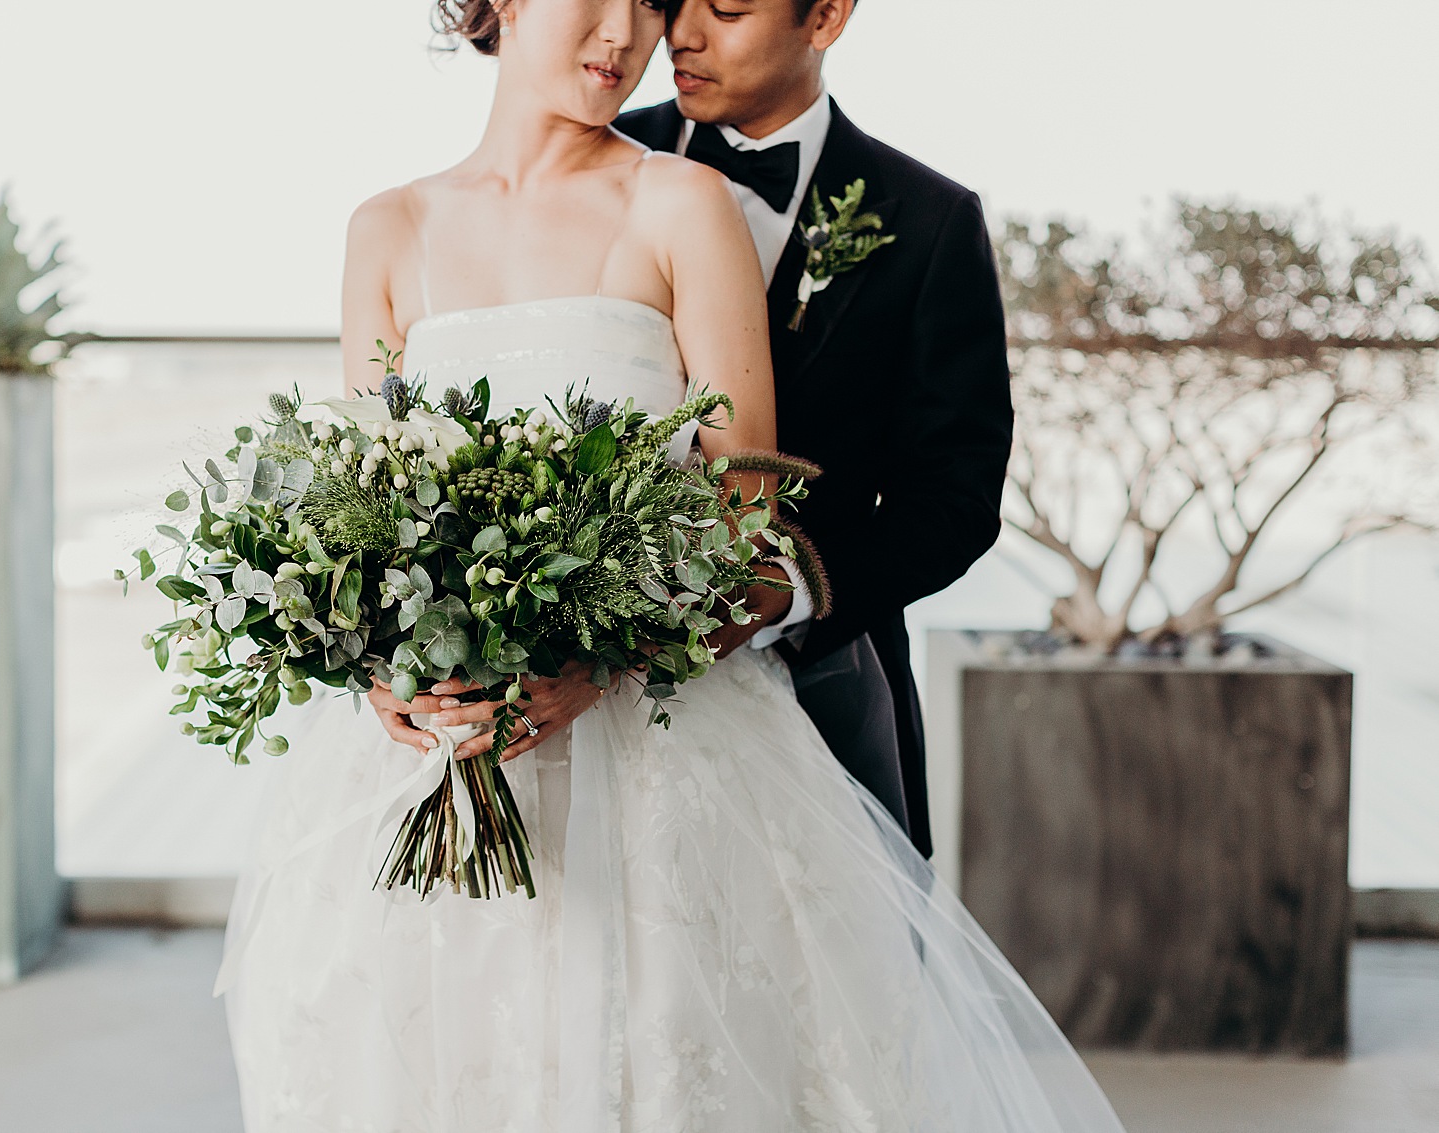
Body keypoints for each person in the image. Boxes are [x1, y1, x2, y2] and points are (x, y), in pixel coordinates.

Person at [217, 2, 1125, 1130]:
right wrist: (383, 664)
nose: (638, 32)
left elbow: (773, 498)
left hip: (692, 719)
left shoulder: (702, 203)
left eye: (654, 1)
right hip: (441, 752)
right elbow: (366, 503)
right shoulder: (387, 226)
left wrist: (608, 656)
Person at [616, 0, 1013, 859]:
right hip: (595, 696)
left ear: (826, 16)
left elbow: (956, 496)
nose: (681, 35)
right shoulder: (592, 168)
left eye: (725, 9)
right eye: (672, 2)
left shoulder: (930, 220)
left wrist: (784, 591)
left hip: (821, 691)